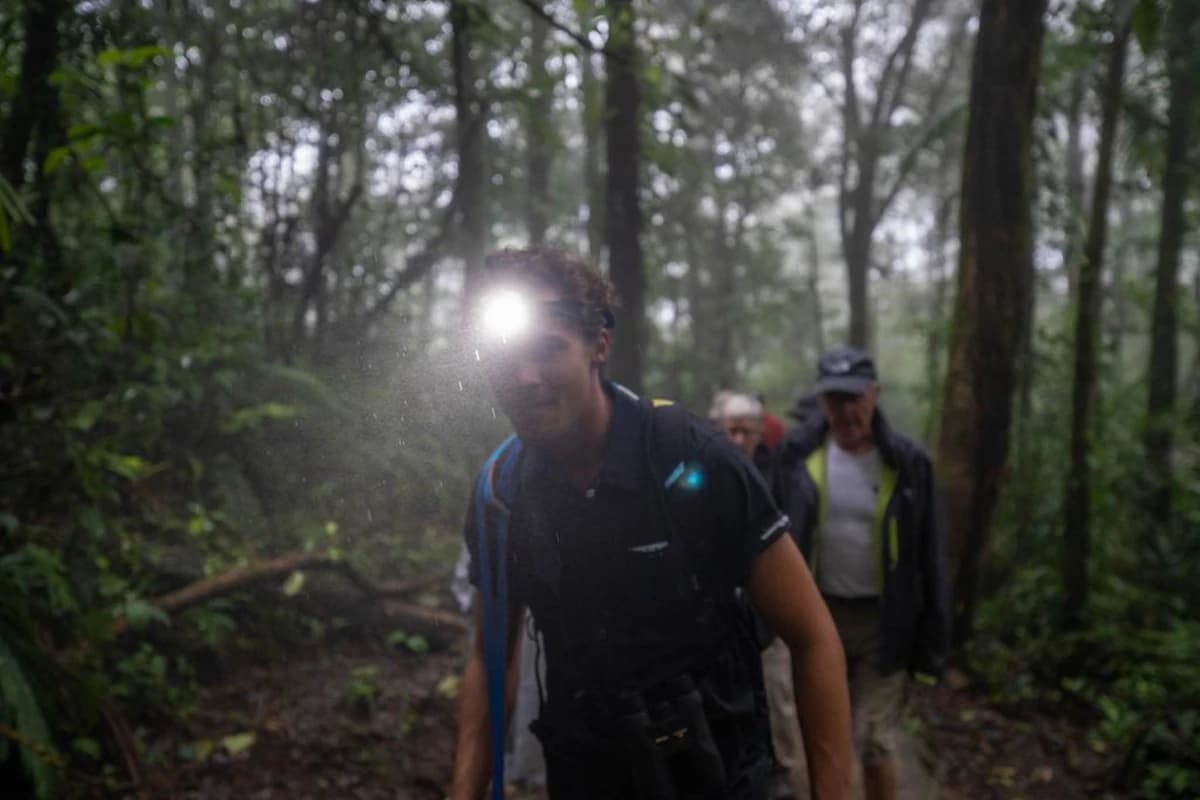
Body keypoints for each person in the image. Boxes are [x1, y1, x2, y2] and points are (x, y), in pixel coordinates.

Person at [451, 248, 852, 800]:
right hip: (587, 775)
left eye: (548, 349)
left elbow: (812, 636)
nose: (525, 376)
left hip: (722, 773)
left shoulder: (691, 459)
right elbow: (488, 658)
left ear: (600, 345)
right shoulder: (502, 493)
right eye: (504, 356)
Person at [774, 347, 950, 800]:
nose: (846, 410)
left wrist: (933, 641)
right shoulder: (796, 457)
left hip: (884, 623)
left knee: (873, 741)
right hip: (819, 617)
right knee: (822, 737)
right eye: (834, 400)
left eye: (855, 398)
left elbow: (930, 552)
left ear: (874, 395)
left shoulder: (907, 463)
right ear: (821, 403)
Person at [712, 392, 805, 798]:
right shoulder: (701, 473)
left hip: (772, 617)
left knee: (781, 705)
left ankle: (789, 775)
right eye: (729, 431)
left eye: (745, 432)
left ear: (758, 435)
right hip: (717, 623)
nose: (736, 440)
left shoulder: (780, 478)